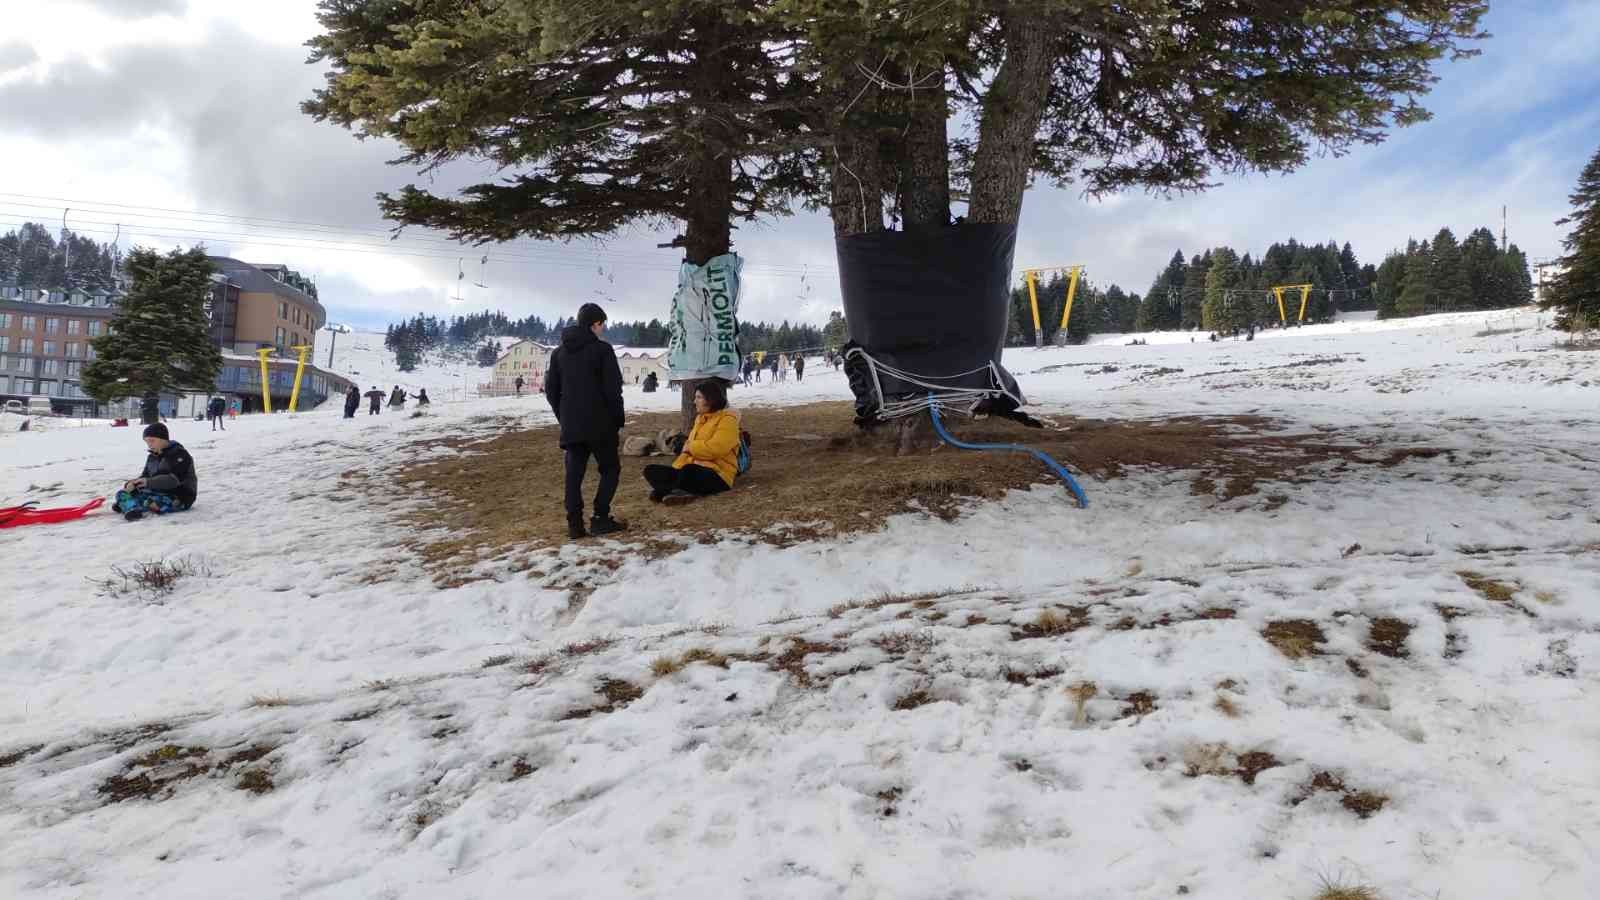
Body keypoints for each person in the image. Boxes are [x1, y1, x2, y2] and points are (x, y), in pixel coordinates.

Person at [545, 302, 626, 540]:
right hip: (601, 425)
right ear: (595, 324)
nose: (603, 329)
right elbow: (613, 390)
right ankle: (600, 518)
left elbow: (551, 391)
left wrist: (564, 417)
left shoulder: (558, 353)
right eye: (602, 324)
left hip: (572, 425)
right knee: (610, 469)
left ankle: (575, 526)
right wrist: (617, 420)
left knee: (574, 475)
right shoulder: (602, 351)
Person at [644, 380, 739, 505]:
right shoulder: (700, 419)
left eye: (699, 397)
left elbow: (716, 449)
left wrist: (690, 447)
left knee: (689, 471)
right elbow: (686, 451)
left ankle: (668, 489)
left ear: (711, 399)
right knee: (651, 470)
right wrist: (676, 469)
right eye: (695, 397)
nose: (694, 402)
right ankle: (676, 489)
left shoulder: (728, 420)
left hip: (718, 474)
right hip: (693, 467)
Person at [114, 423, 198, 521]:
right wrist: (133, 483)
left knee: (152, 501)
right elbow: (145, 476)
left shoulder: (180, 455)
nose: (149, 445)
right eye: (147, 442)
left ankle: (129, 505)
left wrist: (147, 482)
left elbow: (173, 480)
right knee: (121, 493)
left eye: (152, 441)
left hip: (179, 495)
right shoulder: (152, 457)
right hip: (156, 492)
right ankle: (132, 508)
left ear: (163, 439)